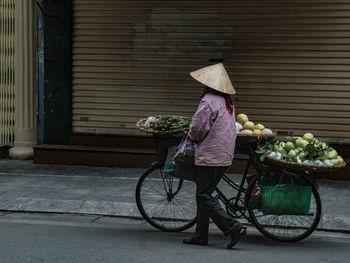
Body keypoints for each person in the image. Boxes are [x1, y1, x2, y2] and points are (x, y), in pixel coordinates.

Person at [183, 63, 247, 249]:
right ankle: (200, 235)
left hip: (211, 154)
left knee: (203, 195)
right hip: (224, 153)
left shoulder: (209, 100)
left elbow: (198, 128)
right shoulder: (226, 101)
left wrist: (191, 136)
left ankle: (234, 227)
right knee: (204, 193)